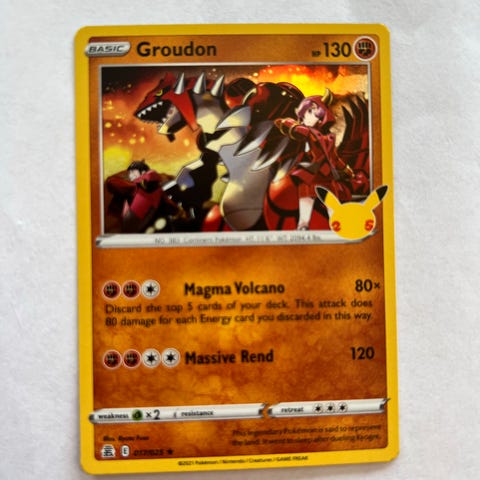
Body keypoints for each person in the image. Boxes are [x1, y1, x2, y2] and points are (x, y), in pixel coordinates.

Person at [275, 92, 365, 230]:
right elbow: (298, 130)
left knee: (330, 201)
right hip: (312, 174)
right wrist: (286, 123)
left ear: (322, 115)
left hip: (326, 175)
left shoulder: (329, 138)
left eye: (311, 112)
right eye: (304, 114)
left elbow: (334, 158)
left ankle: (335, 223)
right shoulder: (308, 132)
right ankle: (303, 224)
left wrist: (346, 170)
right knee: (307, 197)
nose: (306, 117)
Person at [106, 160, 178, 233]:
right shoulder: (131, 187)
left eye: (132, 172)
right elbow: (111, 182)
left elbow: (172, 208)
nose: (131, 174)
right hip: (121, 228)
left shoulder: (157, 191)